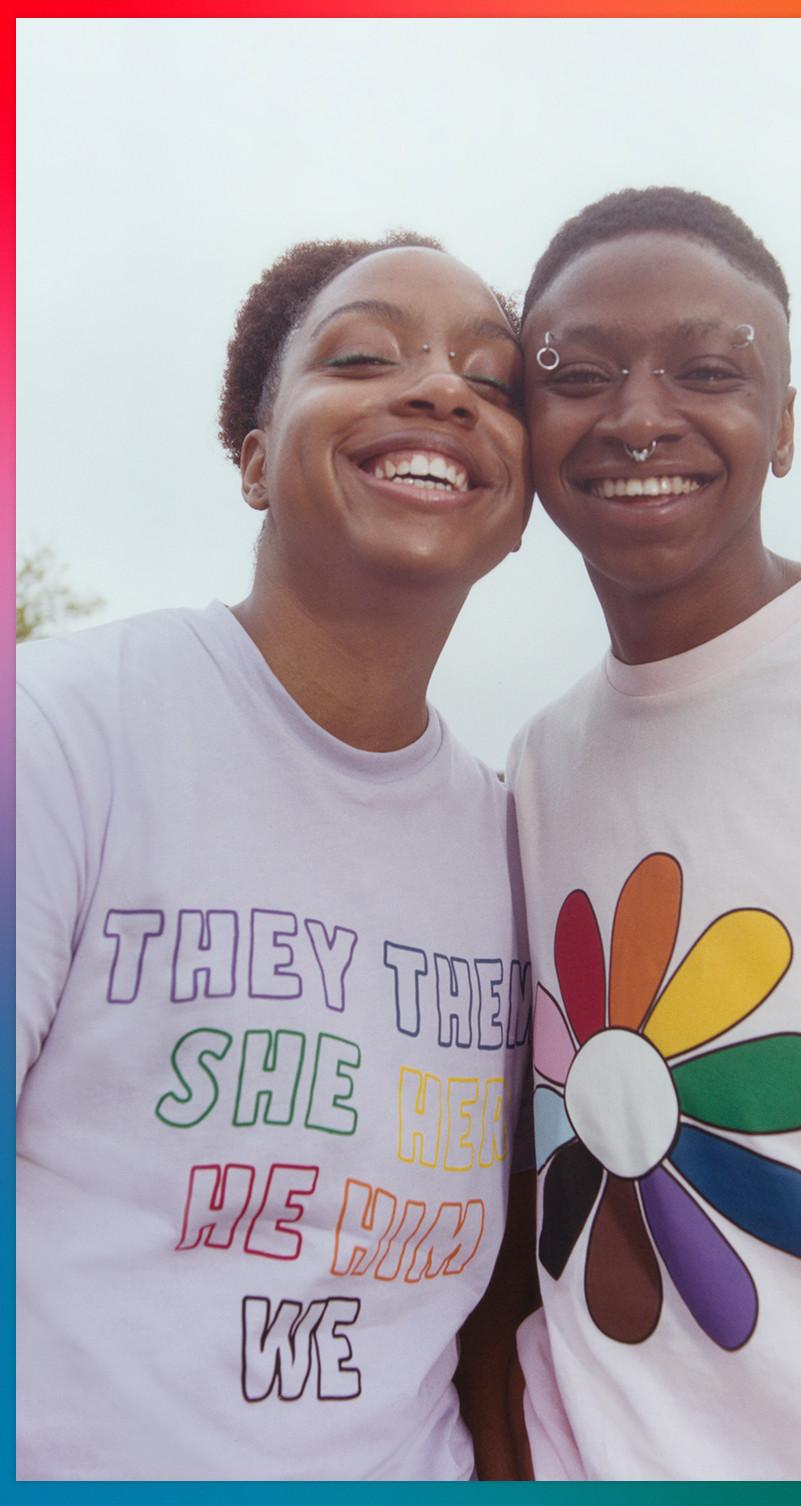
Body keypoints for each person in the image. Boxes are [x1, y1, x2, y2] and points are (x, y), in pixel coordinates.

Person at [16, 233, 536, 1481]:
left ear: (521, 509)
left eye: (493, 380)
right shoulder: (63, 731)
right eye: (363, 356)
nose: (440, 391)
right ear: (253, 459)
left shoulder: (520, 842)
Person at [507, 188, 801, 1481]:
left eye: (710, 369)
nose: (640, 414)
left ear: (783, 426)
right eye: (580, 373)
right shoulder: (535, 768)